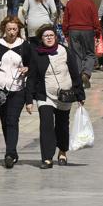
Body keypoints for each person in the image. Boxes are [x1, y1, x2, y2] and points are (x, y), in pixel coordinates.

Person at [27, 24, 81, 169]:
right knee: (46, 125)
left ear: (55, 37)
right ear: (41, 39)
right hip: (44, 95)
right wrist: (29, 100)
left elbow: (75, 73)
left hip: (65, 94)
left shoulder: (65, 51)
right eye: (46, 36)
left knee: (62, 125)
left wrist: (80, 95)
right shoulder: (37, 54)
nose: (49, 38)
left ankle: (62, 151)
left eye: (51, 35)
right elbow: (31, 77)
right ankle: (47, 158)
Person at [0, 17, 32, 168]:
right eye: (9, 29)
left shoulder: (24, 45)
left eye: (15, 29)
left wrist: (27, 69)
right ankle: (13, 151)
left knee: (12, 119)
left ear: (19, 30)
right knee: (4, 120)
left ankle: (9, 154)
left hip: (17, 89)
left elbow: (32, 65)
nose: (12, 32)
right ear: (4, 29)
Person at [62, 0, 101, 85]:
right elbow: (95, 19)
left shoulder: (70, 3)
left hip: (73, 30)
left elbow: (65, 19)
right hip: (87, 30)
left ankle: (78, 75)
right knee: (90, 53)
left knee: (76, 54)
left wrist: (65, 33)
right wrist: (97, 33)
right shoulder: (90, 3)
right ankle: (86, 73)